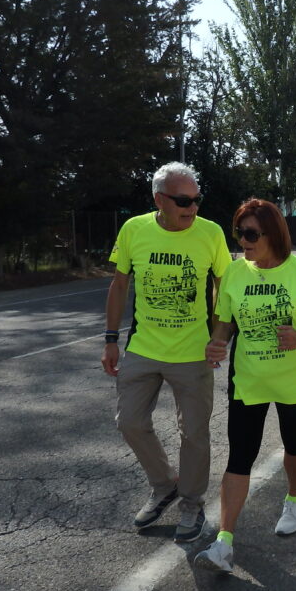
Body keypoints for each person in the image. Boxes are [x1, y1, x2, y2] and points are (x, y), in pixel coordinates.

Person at [195, 199, 296, 574]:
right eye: (239, 233)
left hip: (293, 378)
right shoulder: (234, 272)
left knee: (294, 442)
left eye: (251, 234)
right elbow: (225, 321)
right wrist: (217, 342)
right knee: (240, 455)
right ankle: (224, 542)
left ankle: (294, 501)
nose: (243, 241)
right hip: (249, 378)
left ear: (272, 234)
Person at [101, 162, 232, 543]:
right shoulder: (134, 229)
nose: (192, 207)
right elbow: (119, 284)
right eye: (183, 200)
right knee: (129, 422)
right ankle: (163, 485)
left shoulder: (210, 233)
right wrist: (110, 338)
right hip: (143, 348)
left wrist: (219, 336)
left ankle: (191, 502)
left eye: (196, 199)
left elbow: (224, 287)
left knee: (194, 433)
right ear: (159, 200)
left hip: (193, 353)